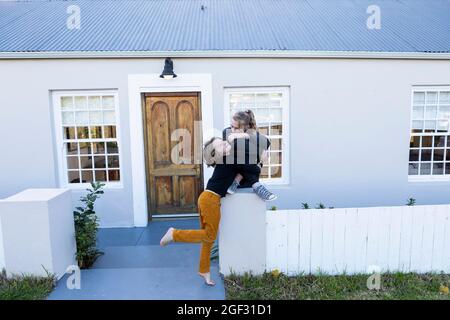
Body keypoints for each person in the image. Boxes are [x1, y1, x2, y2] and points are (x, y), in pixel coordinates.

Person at [159, 135, 240, 286]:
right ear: (217, 156)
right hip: (210, 200)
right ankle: (174, 234)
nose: (224, 143)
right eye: (221, 145)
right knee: (209, 235)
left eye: (222, 142)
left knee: (207, 239)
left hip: (207, 199)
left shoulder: (227, 161)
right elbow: (236, 144)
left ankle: (204, 270)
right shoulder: (226, 161)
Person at [223, 110, 277, 201]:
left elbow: (266, 142)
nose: (232, 129)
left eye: (235, 128)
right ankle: (257, 186)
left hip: (246, 181)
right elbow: (239, 146)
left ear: (245, 127)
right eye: (231, 126)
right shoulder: (227, 132)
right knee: (243, 154)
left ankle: (237, 181)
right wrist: (260, 157)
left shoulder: (250, 133)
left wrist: (245, 135)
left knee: (249, 155)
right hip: (232, 173)